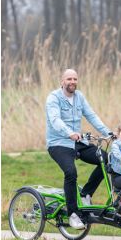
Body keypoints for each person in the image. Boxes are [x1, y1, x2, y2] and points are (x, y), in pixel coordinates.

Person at [46, 68, 112, 230]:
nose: (72, 82)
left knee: (106, 159)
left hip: (78, 142)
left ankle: (85, 194)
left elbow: (91, 115)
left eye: (75, 79)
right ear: (62, 81)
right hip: (59, 143)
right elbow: (55, 120)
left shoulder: (79, 97)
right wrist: (69, 133)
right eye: (69, 79)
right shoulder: (53, 98)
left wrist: (108, 132)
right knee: (71, 172)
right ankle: (73, 214)